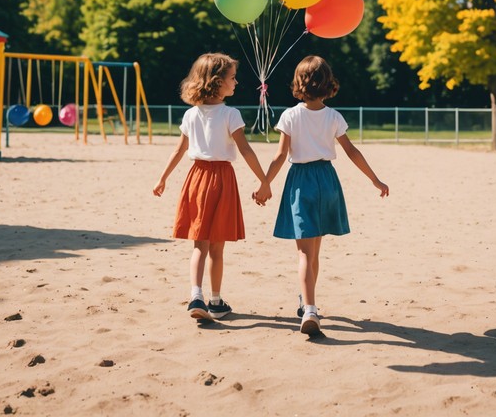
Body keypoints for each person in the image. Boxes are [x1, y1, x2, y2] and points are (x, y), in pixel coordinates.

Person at [261, 55, 389, 335]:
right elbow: (351, 151)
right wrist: (375, 179)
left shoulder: (290, 115)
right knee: (314, 252)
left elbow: (281, 155)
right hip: (327, 181)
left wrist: (264, 184)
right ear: (328, 83)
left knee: (304, 254)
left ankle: (309, 310)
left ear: (298, 83)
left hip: (300, 182)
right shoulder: (334, 116)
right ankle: (308, 300)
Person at [153, 53, 271, 322]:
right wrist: (263, 180)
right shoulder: (231, 114)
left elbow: (179, 150)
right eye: (232, 78)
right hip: (221, 180)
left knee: (199, 246)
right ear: (217, 82)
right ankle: (215, 301)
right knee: (217, 248)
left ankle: (196, 295)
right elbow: (245, 149)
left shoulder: (190, 114)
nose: (237, 82)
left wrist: (163, 178)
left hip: (195, 179)